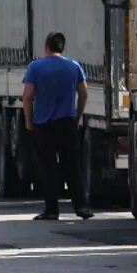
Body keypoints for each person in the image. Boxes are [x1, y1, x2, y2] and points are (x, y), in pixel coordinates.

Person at [21, 32, 92, 221]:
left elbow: (27, 96)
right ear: (62, 48)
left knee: (48, 168)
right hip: (67, 123)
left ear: (46, 47)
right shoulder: (73, 66)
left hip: (44, 125)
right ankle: (82, 207)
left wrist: (29, 122)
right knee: (73, 167)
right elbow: (84, 93)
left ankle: (52, 210)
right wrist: (78, 117)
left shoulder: (35, 67)